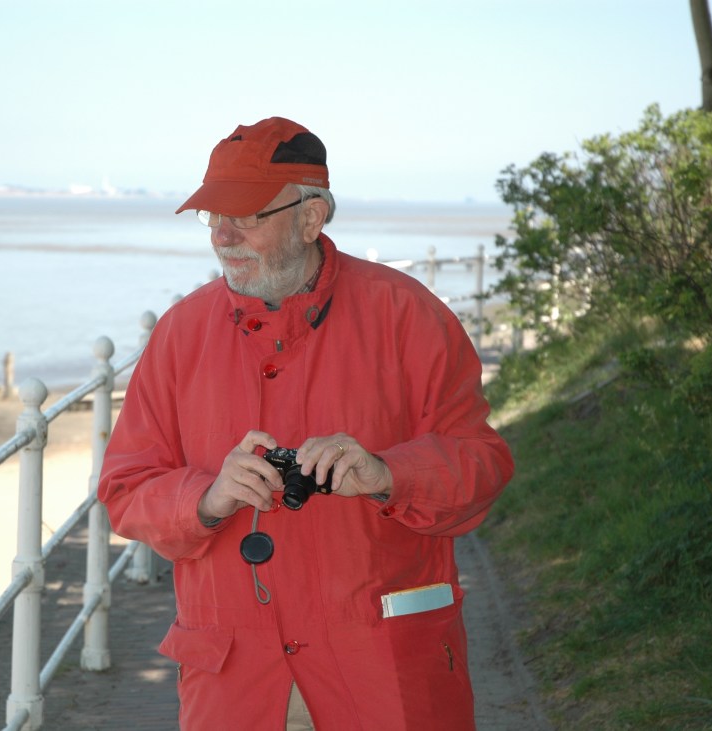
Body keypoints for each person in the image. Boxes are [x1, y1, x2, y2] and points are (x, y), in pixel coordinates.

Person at [97, 116, 514, 730]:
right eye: (213, 215)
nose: (222, 234)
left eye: (245, 215)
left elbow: (483, 465)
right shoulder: (180, 334)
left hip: (384, 673)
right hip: (235, 683)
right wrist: (206, 499)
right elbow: (125, 490)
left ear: (311, 216)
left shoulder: (408, 316)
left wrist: (387, 474)